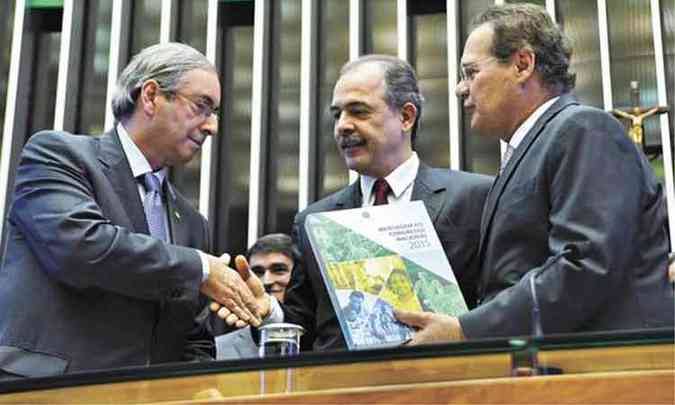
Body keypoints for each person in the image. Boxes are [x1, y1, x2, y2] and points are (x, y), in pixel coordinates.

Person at [396, 3, 675, 344]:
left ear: (522, 65)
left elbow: (584, 265)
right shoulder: (534, 146)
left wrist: (467, 330)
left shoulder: (583, 129)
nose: (459, 88)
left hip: (608, 371)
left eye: (471, 73)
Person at [0, 43, 263, 378]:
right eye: (201, 106)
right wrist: (201, 268)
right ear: (151, 96)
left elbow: (193, 339)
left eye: (214, 113)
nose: (211, 126)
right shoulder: (59, 155)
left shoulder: (193, 224)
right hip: (48, 390)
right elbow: (81, 248)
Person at [211, 54, 492, 351]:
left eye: (358, 112)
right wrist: (269, 312)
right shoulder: (313, 221)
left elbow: (502, 305)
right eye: (337, 115)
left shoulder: (474, 197)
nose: (342, 126)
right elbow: (305, 329)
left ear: (406, 117)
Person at [215, 233, 301, 360]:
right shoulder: (218, 348)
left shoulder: (324, 341)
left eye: (279, 270)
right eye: (258, 272)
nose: (267, 281)